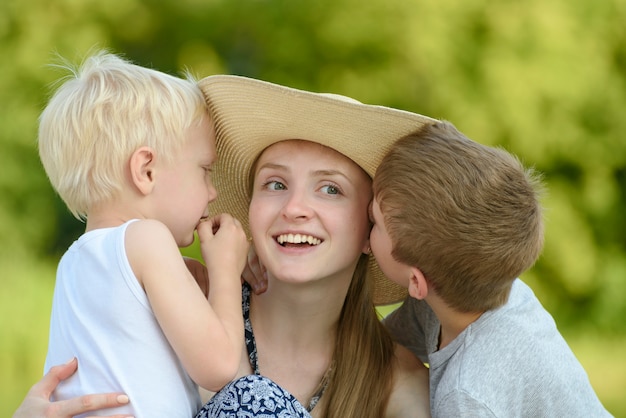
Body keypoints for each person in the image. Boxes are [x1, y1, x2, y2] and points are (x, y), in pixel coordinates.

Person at [14, 75, 436, 418]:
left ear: (371, 228)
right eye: (275, 183)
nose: (294, 208)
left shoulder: (396, 383)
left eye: (330, 189)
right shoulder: (170, 309)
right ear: (251, 209)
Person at [36, 52, 249, 417]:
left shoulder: (74, 261)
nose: (213, 192)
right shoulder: (148, 241)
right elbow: (219, 367)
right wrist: (227, 272)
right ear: (146, 171)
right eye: (205, 170)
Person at [371, 121, 612, 416]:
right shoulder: (483, 294)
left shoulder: (466, 395)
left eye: (374, 224)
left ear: (417, 282)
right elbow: (374, 345)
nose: (365, 239)